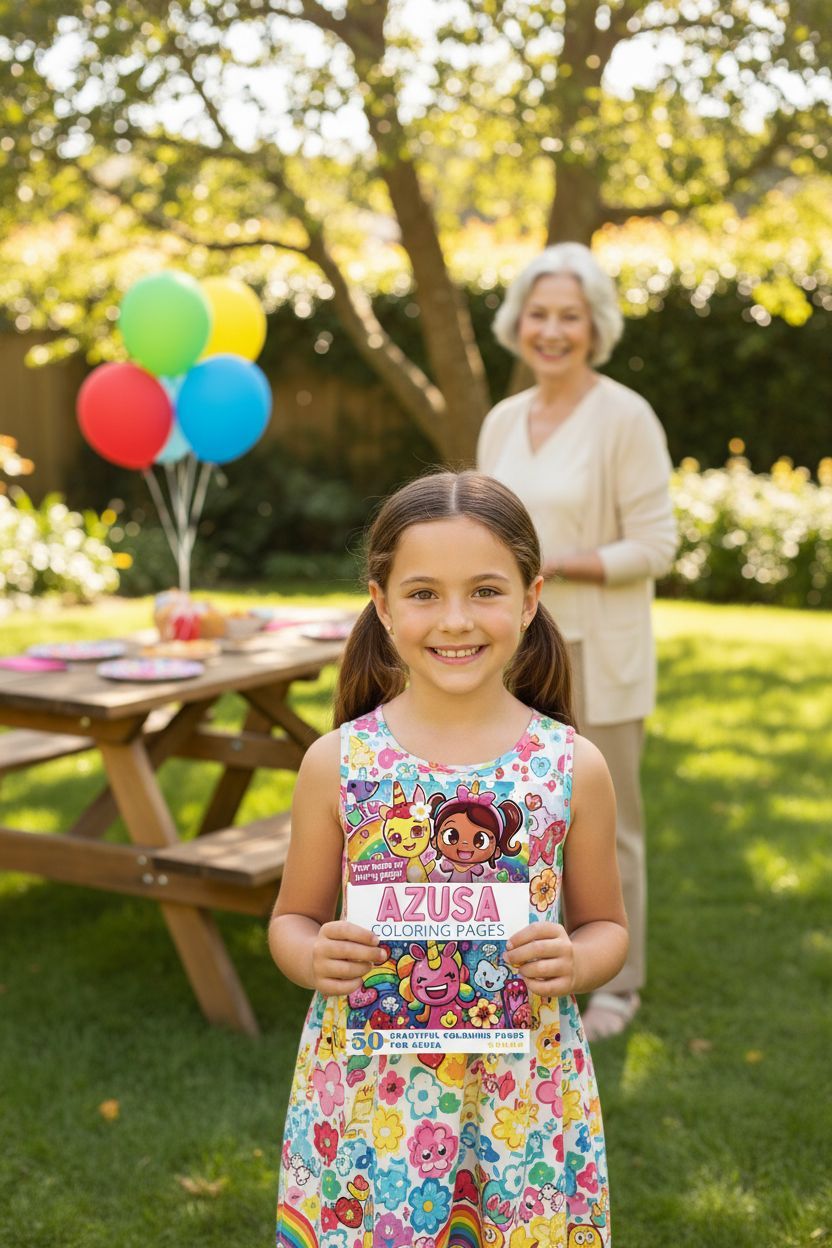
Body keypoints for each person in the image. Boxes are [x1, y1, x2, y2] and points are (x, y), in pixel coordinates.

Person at [270, 470, 628, 1247]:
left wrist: (574, 958)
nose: (456, 620)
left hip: (522, 1099)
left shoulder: (572, 767)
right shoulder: (337, 762)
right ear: (382, 603)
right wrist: (310, 956)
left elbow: (606, 928)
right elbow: (293, 917)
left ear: (531, 600)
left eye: (486, 591)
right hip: (371, 1102)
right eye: (424, 593)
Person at [477, 243, 677, 1041]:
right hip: (511, 648)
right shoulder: (499, 420)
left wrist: (560, 564)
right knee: (520, 814)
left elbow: (656, 546)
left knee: (608, 819)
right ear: (517, 323)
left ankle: (617, 983)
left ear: (595, 327)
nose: (552, 331)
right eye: (540, 314)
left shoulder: (625, 415)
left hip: (599, 650)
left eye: (570, 316)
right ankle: (519, 964)